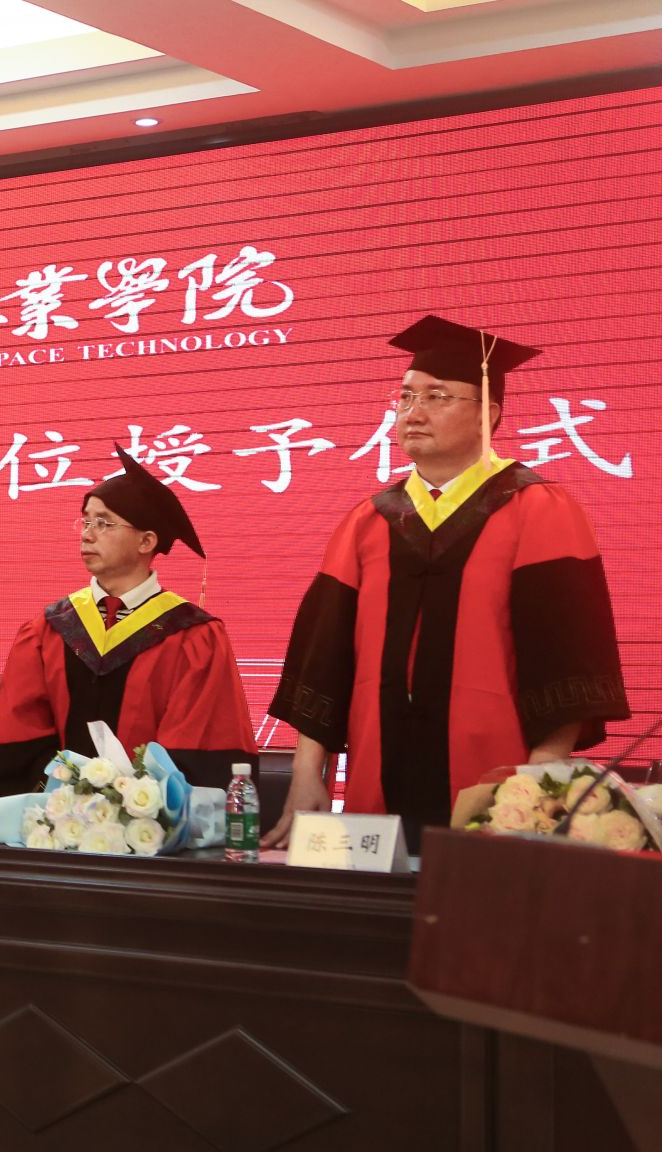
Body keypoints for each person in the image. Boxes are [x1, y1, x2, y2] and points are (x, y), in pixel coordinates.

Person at [264, 315, 629, 848]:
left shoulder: (537, 509)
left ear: (489, 414)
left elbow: (568, 656)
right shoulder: (369, 521)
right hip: (377, 786)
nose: (413, 412)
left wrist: (541, 780)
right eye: (406, 397)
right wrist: (306, 775)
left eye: (437, 397)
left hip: (498, 792)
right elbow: (323, 658)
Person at [0, 450, 257, 796]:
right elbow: (22, 734)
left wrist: (136, 807)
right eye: (85, 521)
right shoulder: (49, 628)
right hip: (57, 815)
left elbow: (199, 744)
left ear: (146, 541)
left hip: (152, 820)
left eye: (104, 523)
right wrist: (62, 801)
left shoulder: (192, 635)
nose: (87, 535)